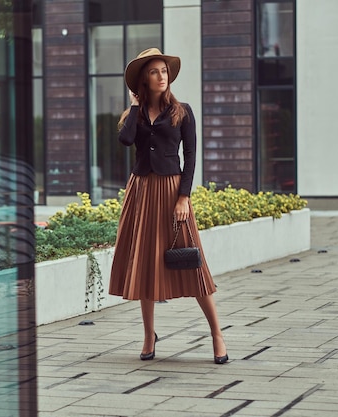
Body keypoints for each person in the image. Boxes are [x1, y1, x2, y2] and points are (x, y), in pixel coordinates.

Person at [108, 48, 228, 364]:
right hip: (141, 192)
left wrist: (184, 198)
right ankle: (149, 334)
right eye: (154, 72)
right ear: (143, 80)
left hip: (173, 190)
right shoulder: (132, 114)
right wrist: (135, 107)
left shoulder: (183, 112)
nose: (162, 76)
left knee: (195, 263)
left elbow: (191, 157)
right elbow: (125, 140)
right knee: (144, 262)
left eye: (164, 71)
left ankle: (217, 333)